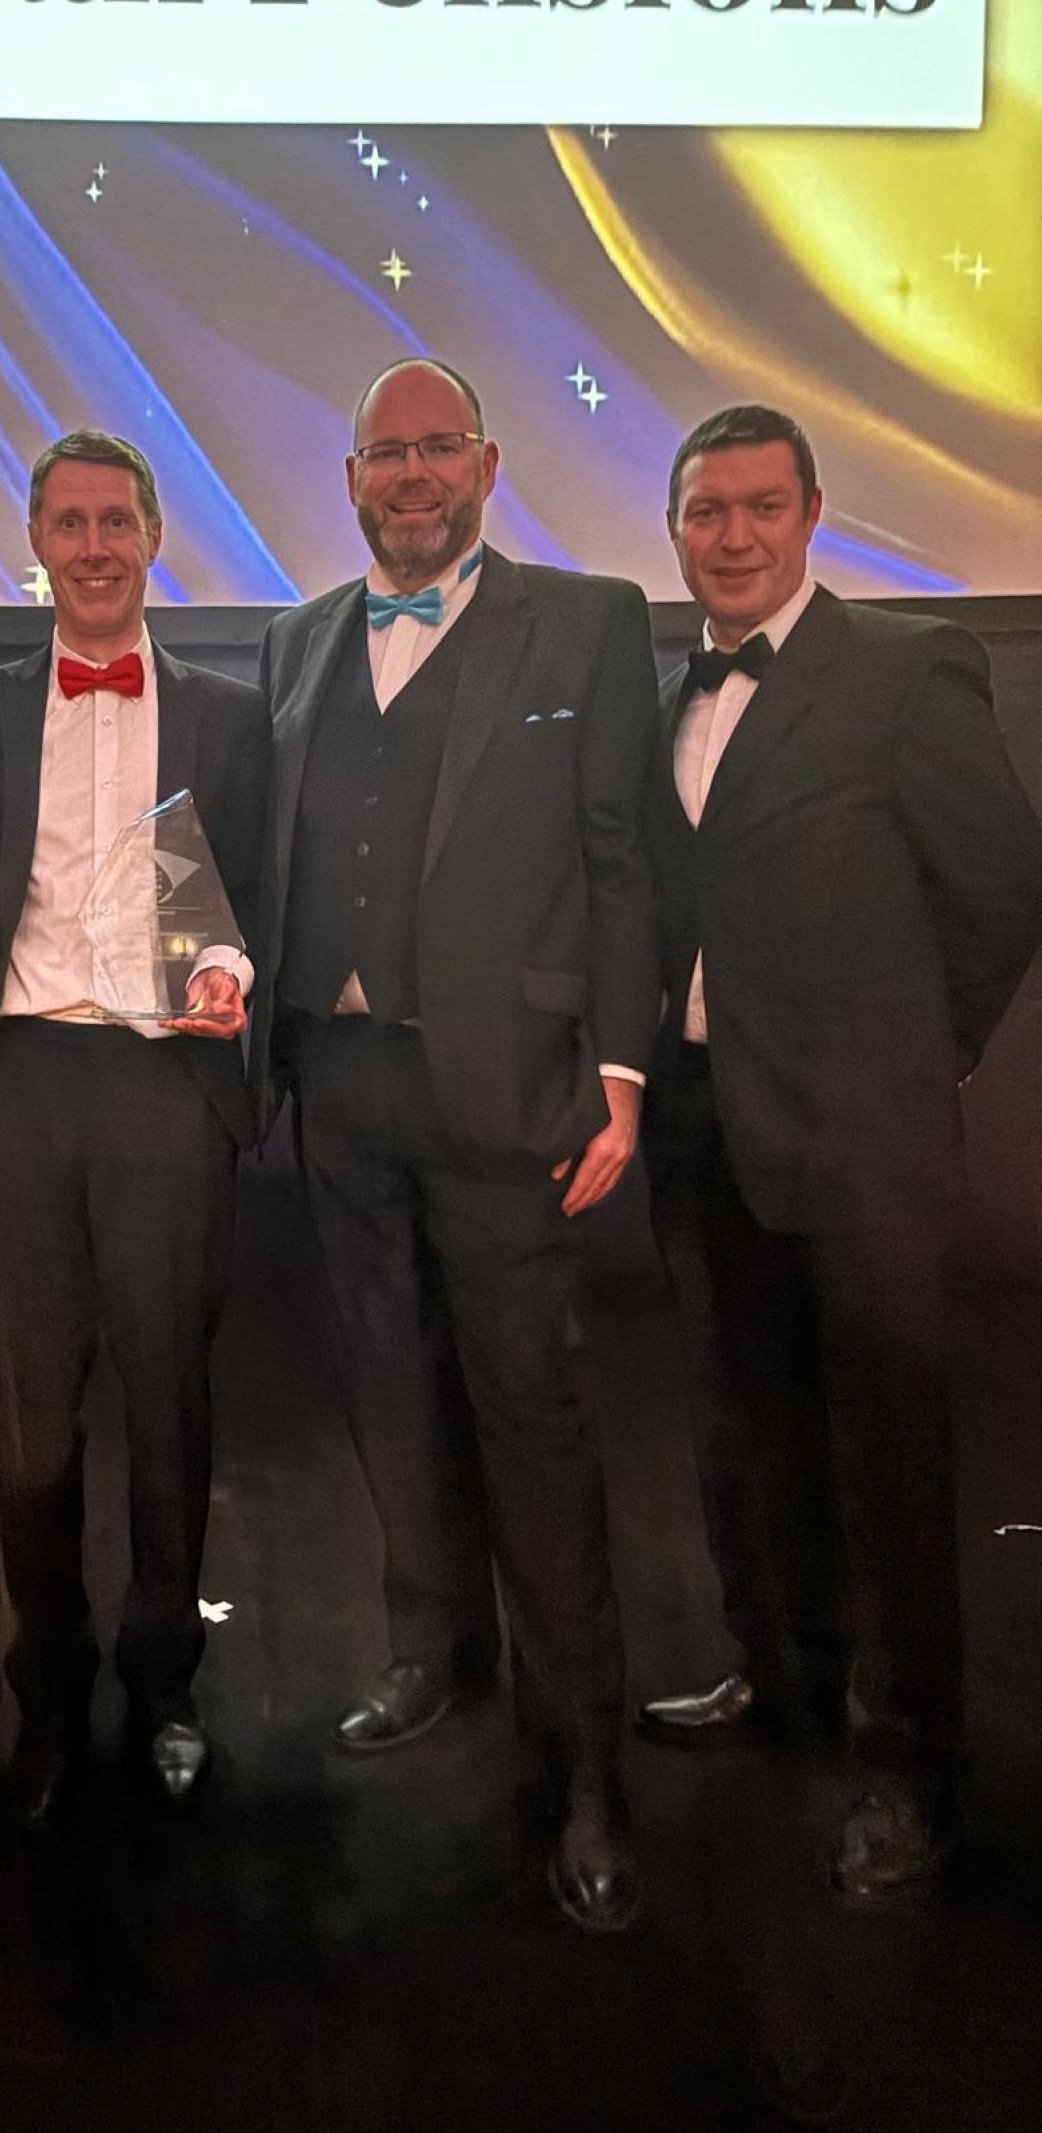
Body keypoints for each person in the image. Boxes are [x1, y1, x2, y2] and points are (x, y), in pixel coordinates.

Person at [254, 358, 661, 1932]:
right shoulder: (294, 641)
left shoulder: (589, 618)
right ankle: (436, 1642)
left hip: (511, 1096)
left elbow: (623, 864)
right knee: (385, 1386)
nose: (412, 474)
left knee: (537, 1422)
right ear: (349, 475)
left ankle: (587, 1764)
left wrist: (622, 1072)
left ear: (486, 463)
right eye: (385, 453)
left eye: (438, 448)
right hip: (339, 1087)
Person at [637, 404, 1042, 1898]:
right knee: (745, 1435)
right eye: (704, 511)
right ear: (672, 528)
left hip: (860, 1135)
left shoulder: (902, 667)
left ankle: (911, 1763)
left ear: (812, 513)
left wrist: (915, 1053)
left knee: (883, 1458)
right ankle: (780, 1675)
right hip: (702, 1124)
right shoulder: (659, 686)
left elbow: (999, 886)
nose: (732, 536)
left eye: (759, 506)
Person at [0, 430, 270, 1819]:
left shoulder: (230, 714)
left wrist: (234, 983)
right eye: (67, 521)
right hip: (21, 1088)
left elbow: (256, 897)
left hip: (160, 1088)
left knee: (168, 1403)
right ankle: (49, 1684)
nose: (92, 544)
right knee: (29, 1424)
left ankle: (167, 1675)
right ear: (35, 540)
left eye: (115, 519)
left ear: (152, 536)